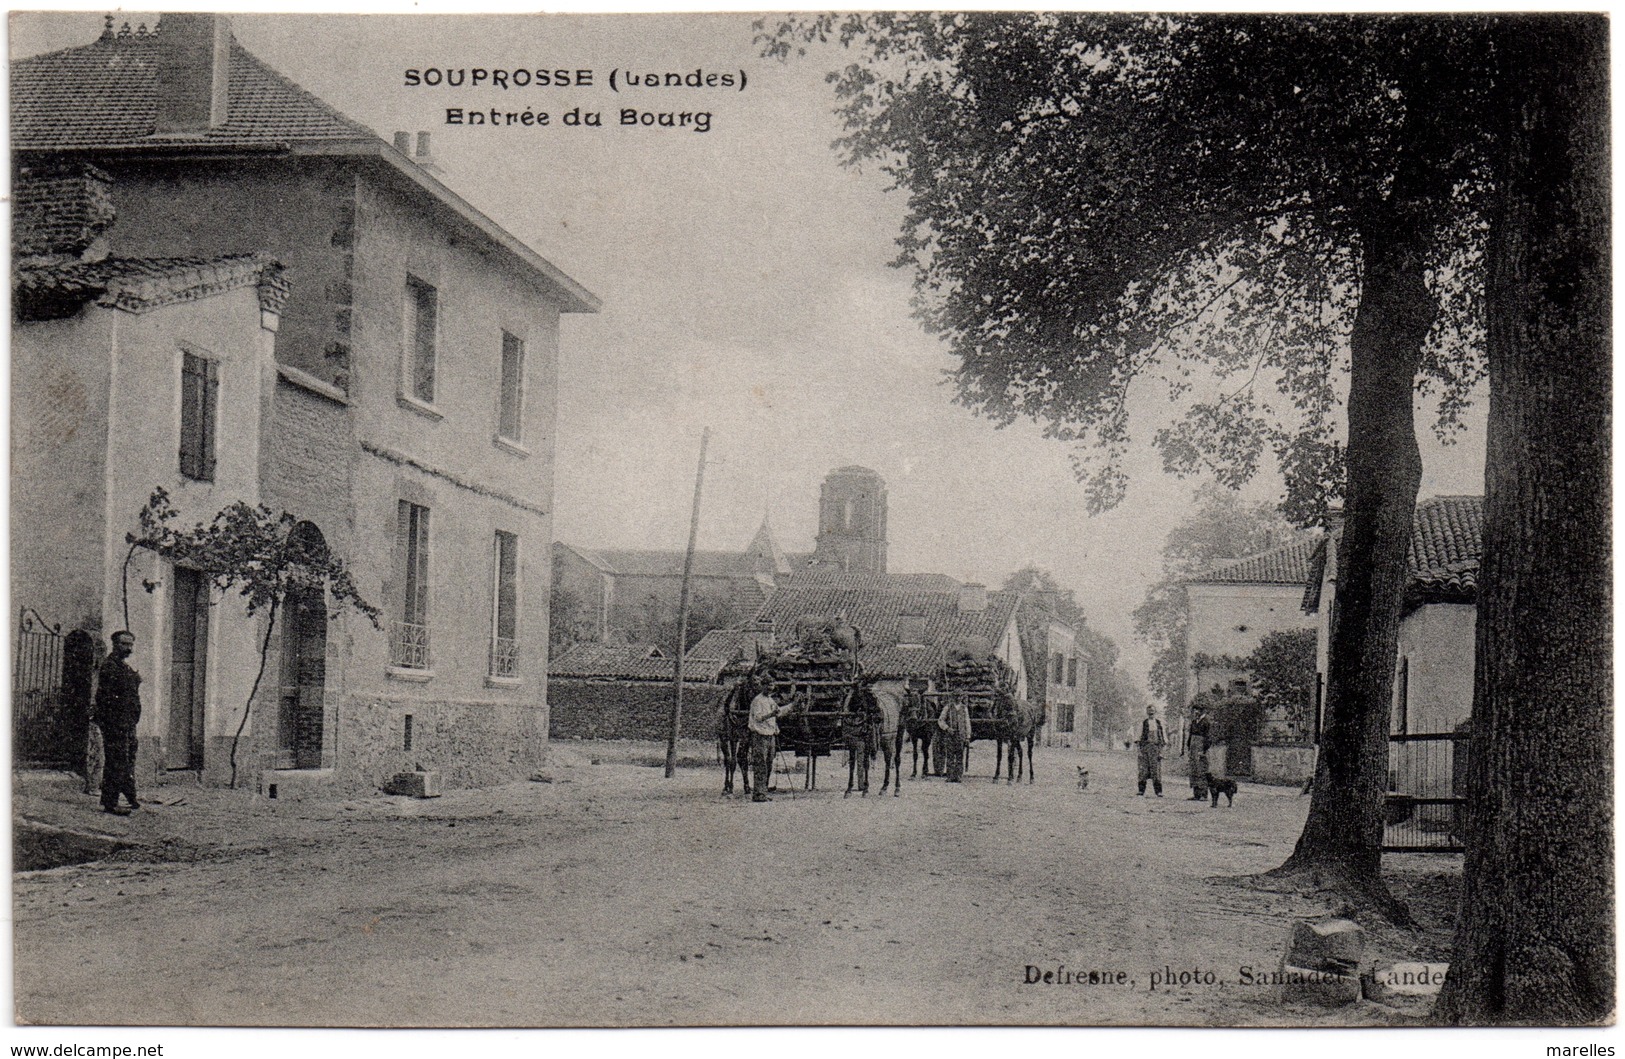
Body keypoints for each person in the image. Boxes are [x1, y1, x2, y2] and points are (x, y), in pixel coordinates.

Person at [94, 630, 142, 815]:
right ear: (115, 644)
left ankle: (130, 796)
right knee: (117, 761)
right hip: (115, 723)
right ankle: (110, 802)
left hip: (127, 723)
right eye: (124, 644)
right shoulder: (110, 667)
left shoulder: (123, 666)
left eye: (130, 644)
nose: (128, 648)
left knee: (127, 759)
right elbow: (106, 698)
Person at [747, 686, 797, 802]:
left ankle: (762, 791)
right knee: (761, 764)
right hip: (760, 735)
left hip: (771, 735)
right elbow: (758, 718)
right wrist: (771, 714)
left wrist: (792, 705)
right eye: (768, 686)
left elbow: (778, 712)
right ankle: (758, 794)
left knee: (769, 763)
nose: (770, 689)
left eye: (772, 686)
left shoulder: (770, 700)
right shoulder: (757, 700)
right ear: (763, 686)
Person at [937, 696, 971, 783]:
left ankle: (958, 776)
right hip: (950, 735)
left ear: (962, 697)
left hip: (961, 735)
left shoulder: (964, 708)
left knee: (960, 756)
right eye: (956, 695)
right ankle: (950, 776)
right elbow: (941, 720)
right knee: (950, 755)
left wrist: (968, 736)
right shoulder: (947, 707)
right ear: (953, 696)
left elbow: (967, 722)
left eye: (959, 696)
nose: (958, 698)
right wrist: (947, 728)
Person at [1135, 704, 1166, 797]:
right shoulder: (1143, 723)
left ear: (1155, 712)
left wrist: (1161, 751)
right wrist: (1139, 750)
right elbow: (1137, 738)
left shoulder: (1159, 723)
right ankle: (1141, 790)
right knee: (1143, 770)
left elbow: (1163, 739)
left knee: (1156, 771)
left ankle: (1158, 791)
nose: (1151, 713)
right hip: (1145, 748)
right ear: (1147, 712)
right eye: (1149, 711)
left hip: (1156, 749)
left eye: (1152, 711)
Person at [1184, 702, 1212, 801]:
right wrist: (1188, 748)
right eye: (1194, 710)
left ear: (1202, 711)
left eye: (1198, 710)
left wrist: (1203, 750)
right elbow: (1190, 736)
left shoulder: (1206, 722)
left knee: (1202, 771)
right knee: (1193, 770)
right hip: (1193, 748)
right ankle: (1196, 794)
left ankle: (1204, 795)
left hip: (1201, 748)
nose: (1196, 712)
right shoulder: (1193, 722)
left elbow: (1208, 738)